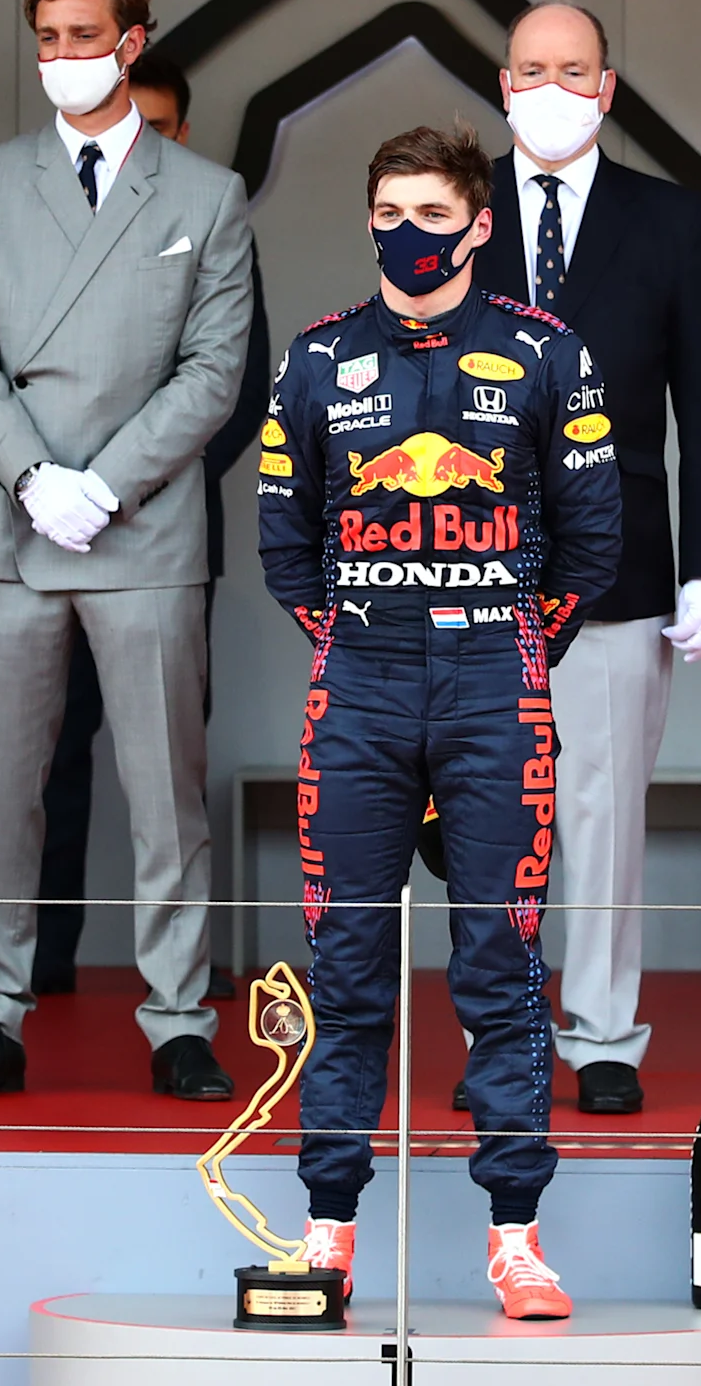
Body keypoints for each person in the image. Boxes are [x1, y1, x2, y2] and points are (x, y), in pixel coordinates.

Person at [255, 124, 621, 1319]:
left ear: (478, 226)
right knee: (344, 967)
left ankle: (514, 1234)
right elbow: (283, 547)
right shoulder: (314, 359)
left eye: (430, 212)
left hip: (491, 690)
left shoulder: (546, 351)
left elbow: (591, 540)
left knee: (499, 962)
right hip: (354, 688)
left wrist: (507, 642)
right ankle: (325, 1230)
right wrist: (368, 642)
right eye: (387, 210)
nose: (404, 232)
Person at [0, 0, 256, 1102]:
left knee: (164, 789)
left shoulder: (205, 195)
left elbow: (215, 372)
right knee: (2, 782)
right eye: (46, 39)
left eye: (83, 36)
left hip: (145, 524)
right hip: (10, 524)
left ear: (132, 40)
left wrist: (103, 484)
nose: (62, 58)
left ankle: (176, 1013)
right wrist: (31, 476)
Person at [463, 1, 701, 1116]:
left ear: (605, 88)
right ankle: (500, 1031)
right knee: (482, 816)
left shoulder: (670, 221)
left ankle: (602, 1034)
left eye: (570, 69)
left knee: (600, 807)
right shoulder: (453, 205)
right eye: (531, 68)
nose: (549, 86)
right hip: (457, 560)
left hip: (618, 561)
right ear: (501, 82)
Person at [29, 50, 273, 996]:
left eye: (167, 127)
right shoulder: (32, 217)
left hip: (165, 536)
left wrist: (131, 488)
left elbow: (237, 389)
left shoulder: (213, 221)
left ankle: (175, 992)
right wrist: (45, 492)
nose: (150, 140)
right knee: (45, 760)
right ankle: (38, 969)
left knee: (165, 776)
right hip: (38, 536)